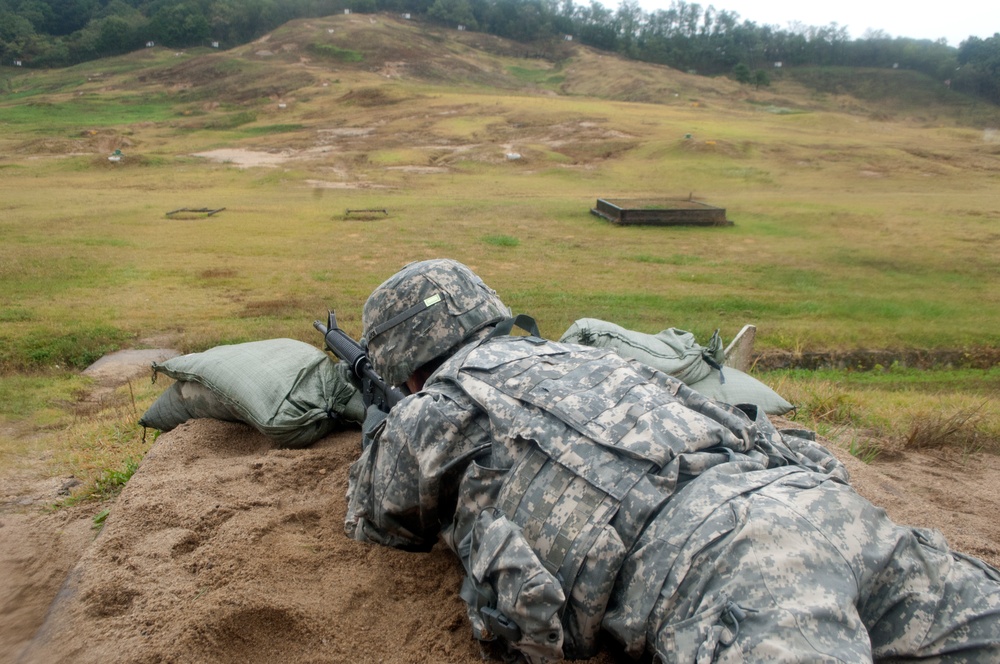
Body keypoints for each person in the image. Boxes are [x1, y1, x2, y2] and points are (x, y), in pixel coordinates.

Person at [345, 258, 1000, 663]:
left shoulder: (433, 412)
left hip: (724, 567)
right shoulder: (591, 356)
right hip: (823, 508)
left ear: (400, 363)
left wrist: (384, 423)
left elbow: (383, 519)